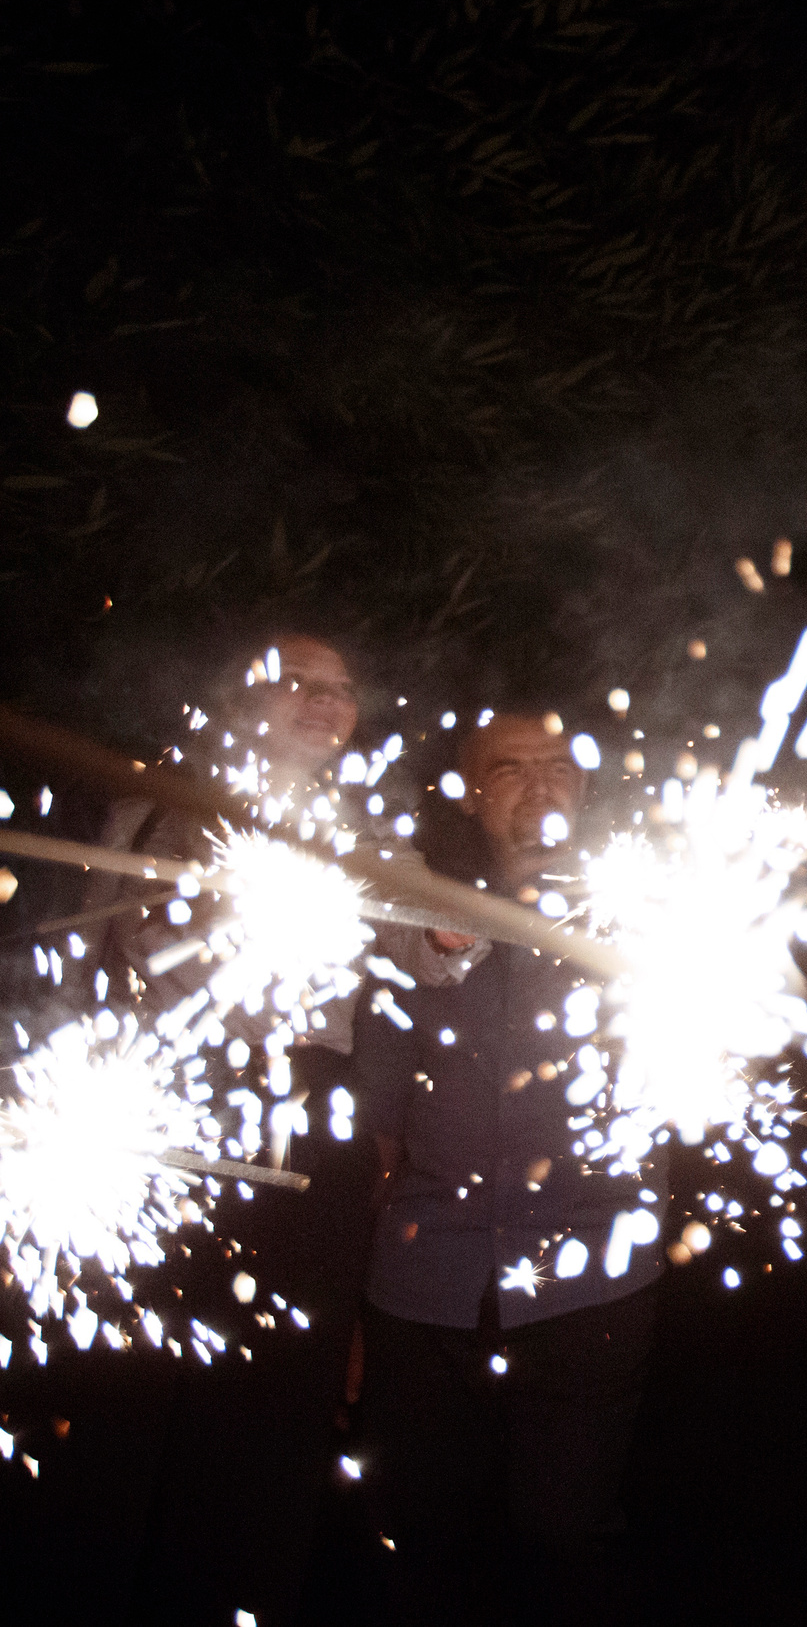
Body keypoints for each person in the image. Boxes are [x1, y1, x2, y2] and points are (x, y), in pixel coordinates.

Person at [32, 630, 468, 1627]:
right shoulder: (159, 805)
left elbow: (424, 928)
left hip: (304, 1124)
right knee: (124, 1384)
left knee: (270, 1399)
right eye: (298, 684)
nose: (324, 704)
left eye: (342, 688)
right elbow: (79, 966)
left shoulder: (362, 824)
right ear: (240, 699)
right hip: (154, 1110)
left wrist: (448, 930)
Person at [356, 709, 665, 1625]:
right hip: (426, 1287)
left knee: (562, 1542)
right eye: (510, 766)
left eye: (559, 765)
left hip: (592, 1284)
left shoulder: (645, 913)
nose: (540, 783)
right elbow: (376, 1118)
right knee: (419, 1541)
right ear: (468, 789)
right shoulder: (414, 919)